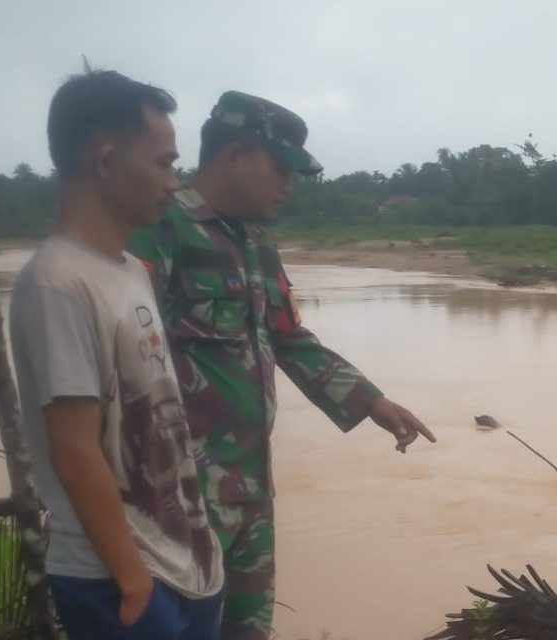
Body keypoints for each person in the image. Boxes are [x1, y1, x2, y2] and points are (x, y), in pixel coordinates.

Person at [128, 90, 436, 639]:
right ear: (235, 154)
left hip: (248, 492)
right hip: (177, 499)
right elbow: (123, 352)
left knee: (247, 631)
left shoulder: (256, 245)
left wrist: (371, 402)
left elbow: (290, 339)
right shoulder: (162, 225)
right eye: (280, 168)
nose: (289, 185)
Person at [10, 69, 223, 639]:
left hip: (188, 566)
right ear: (105, 161)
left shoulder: (129, 271)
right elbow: (76, 449)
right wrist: (133, 585)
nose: (173, 183)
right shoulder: (57, 283)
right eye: (163, 163)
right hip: (119, 580)